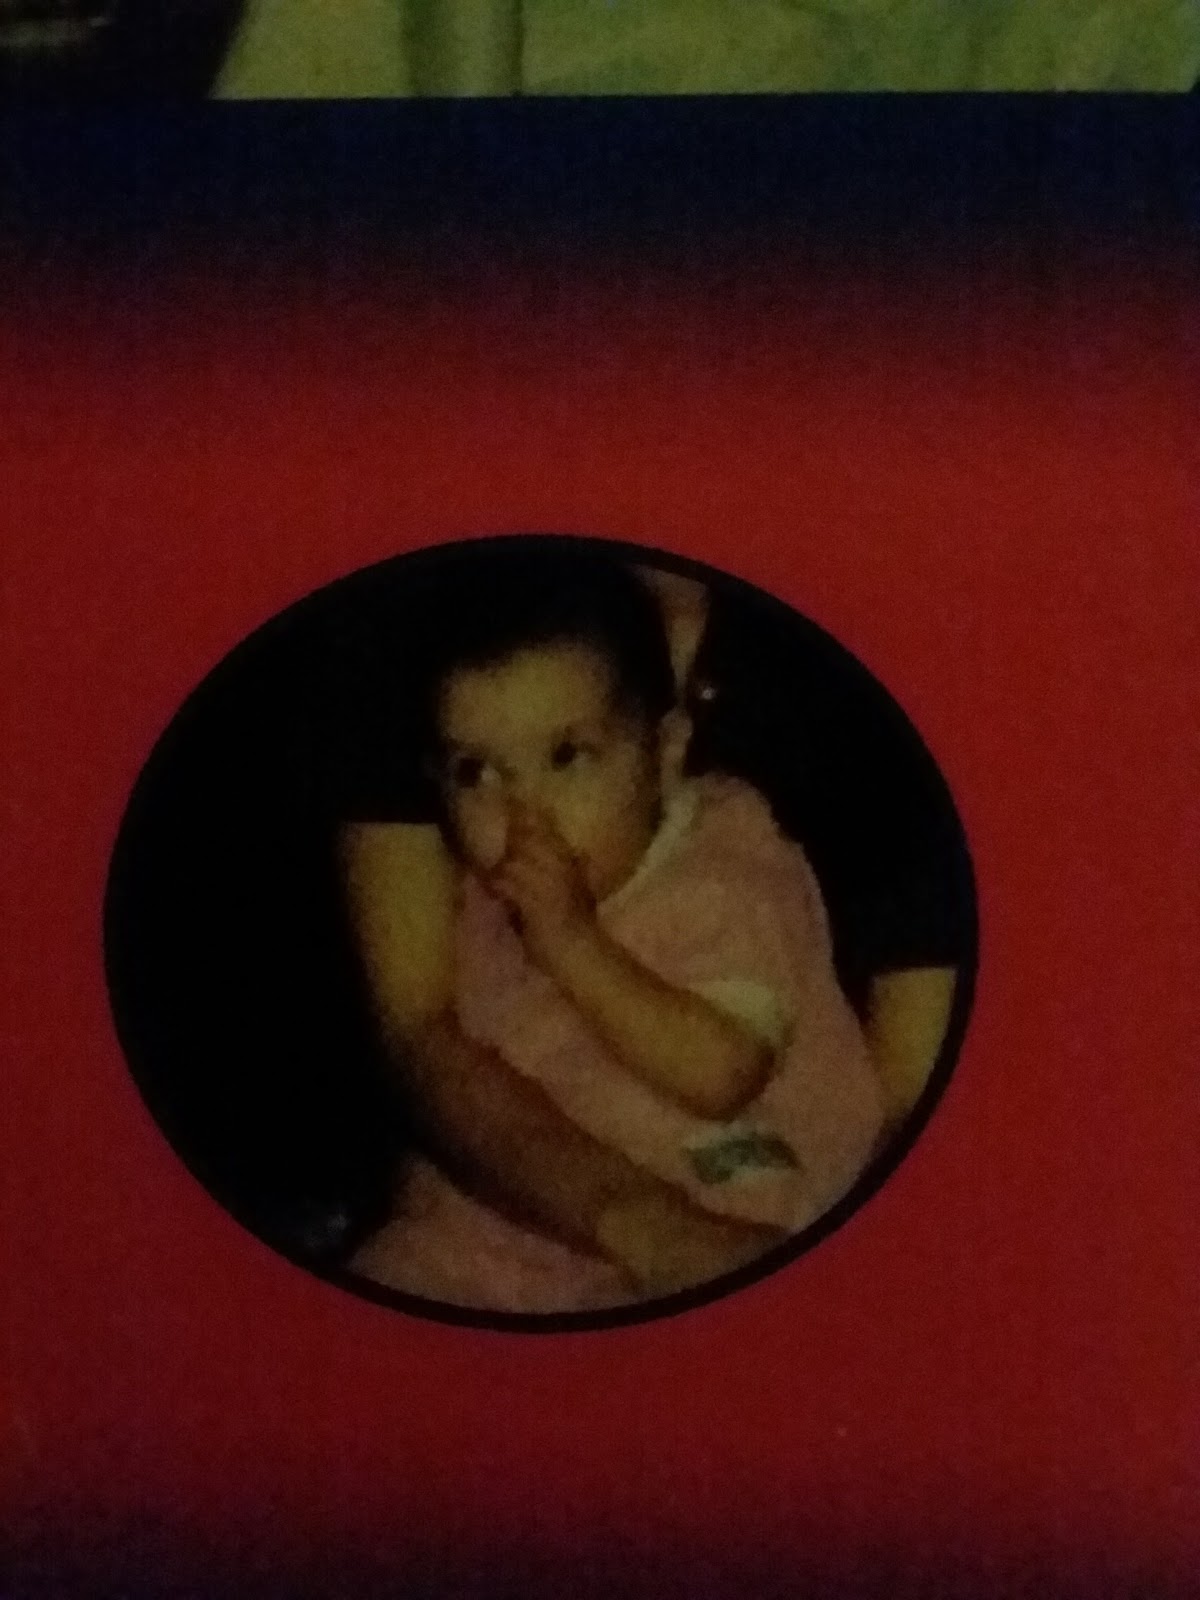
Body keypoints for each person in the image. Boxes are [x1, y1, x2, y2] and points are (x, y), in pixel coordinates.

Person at [341, 543, 883, 1313]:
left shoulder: (725, 865)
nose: (523, 813)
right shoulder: (475, 898)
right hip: (500, 1226)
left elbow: (722, 1074)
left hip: (706, 1190)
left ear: (664, 752)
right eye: (476, 771)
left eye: (568, 756)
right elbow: (434, 1049)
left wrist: (572, 943)